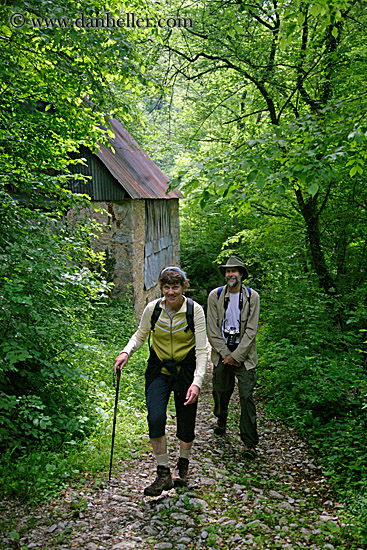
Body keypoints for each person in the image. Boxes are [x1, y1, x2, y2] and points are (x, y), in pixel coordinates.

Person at [114, 266, 207, 496]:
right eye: (166, 287)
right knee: (155, 418)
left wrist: (197, 382)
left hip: (186, 368)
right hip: (159, 368)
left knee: (186, 423)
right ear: (161, 287)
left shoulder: (194, 311)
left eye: (175, 287)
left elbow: (203, 349)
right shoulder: (153, 309)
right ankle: (163, 473)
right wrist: (126, 352)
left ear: (183, 287)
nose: (171, 292)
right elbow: (140, 334)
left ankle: (182, 467)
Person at [207, 255, 260, 458]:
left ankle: (249, 443)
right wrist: (226, 354)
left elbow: (252, 330)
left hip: (245, 355)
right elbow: (212, 329)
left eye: (235, 271)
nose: (231, 274)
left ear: (241, 274)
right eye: (228, 271)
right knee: (220, 390)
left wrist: (237, 355)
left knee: (246, 395)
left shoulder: (252, 297)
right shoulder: (215, 296)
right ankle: (221, 417)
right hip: (222, 352)